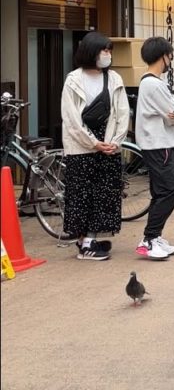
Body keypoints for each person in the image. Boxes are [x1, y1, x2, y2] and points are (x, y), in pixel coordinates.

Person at [60, 32, 131, 260]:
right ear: (92, 52)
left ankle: (88, 240)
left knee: (104, 194)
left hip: (108, 144)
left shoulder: (114, 79)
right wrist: (93, 143)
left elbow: (122, 113)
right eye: (105, 50)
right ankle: (86, 243)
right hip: (81, 147)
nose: (108, 55)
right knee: (82, 194)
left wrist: (114, 142)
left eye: (109, 50)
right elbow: (71, 119)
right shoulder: (73, 80)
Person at [135, 37, 174, 260]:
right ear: (163, 57)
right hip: (159, 144)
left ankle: (154, 236)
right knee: (169, 190)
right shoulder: (154, 85)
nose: (171, 60)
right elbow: (173, 114)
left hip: (157, 144)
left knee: (160, 191)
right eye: (170, 55)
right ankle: (149, 239)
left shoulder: (150, 82)